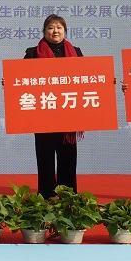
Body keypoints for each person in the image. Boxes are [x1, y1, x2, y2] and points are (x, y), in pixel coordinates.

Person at [24, 15, 83, 198]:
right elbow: (21, 79)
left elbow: (87, 78)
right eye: (51, 27)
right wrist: (9, 82)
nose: (55, 31)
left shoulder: (76, 52)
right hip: (43, 115)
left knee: (68, 158)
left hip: (68, 115)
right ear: (44, 31)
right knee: (45, 158)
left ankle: (67, 196)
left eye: (59, 27)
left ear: (64, 31)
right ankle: (46, 195)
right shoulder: (32, 54)